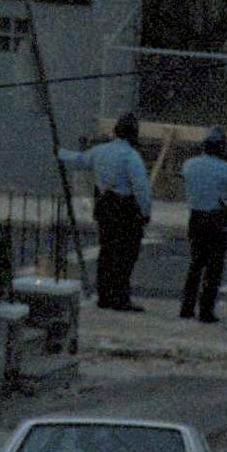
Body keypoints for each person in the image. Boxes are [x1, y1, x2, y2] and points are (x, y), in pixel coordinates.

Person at [57, 114, 153, 312]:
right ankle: (120, 297)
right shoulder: (131, 156)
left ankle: (104, 296)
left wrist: (60, 152)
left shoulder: (100, 151)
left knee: (107, 252)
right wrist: (145, 212)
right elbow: (141, 188)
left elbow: (80, 159)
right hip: (125, 209)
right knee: (125, 255)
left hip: (104, 205)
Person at [179, 128, 227, 325]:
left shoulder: (189, 164)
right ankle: (206, 310)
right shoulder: (224, 168)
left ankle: (186, 307)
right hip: (215, 218)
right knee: (213, 267)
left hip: (195, 216)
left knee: (195, 263)